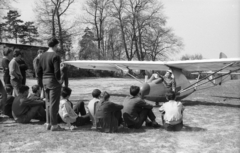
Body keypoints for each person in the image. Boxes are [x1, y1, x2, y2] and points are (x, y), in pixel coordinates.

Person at [37, 38, 63, 131]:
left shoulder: (42, 55)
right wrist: (59, 80)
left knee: (47, 102)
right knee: (54, 103)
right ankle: (54, 125)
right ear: (55, 45)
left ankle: (48, 123)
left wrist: (40, 82)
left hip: (45, 80)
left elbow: (38, 71)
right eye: (58, 45)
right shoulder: (55, 55)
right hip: (53, 80)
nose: (58, 47)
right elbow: (56, 71)